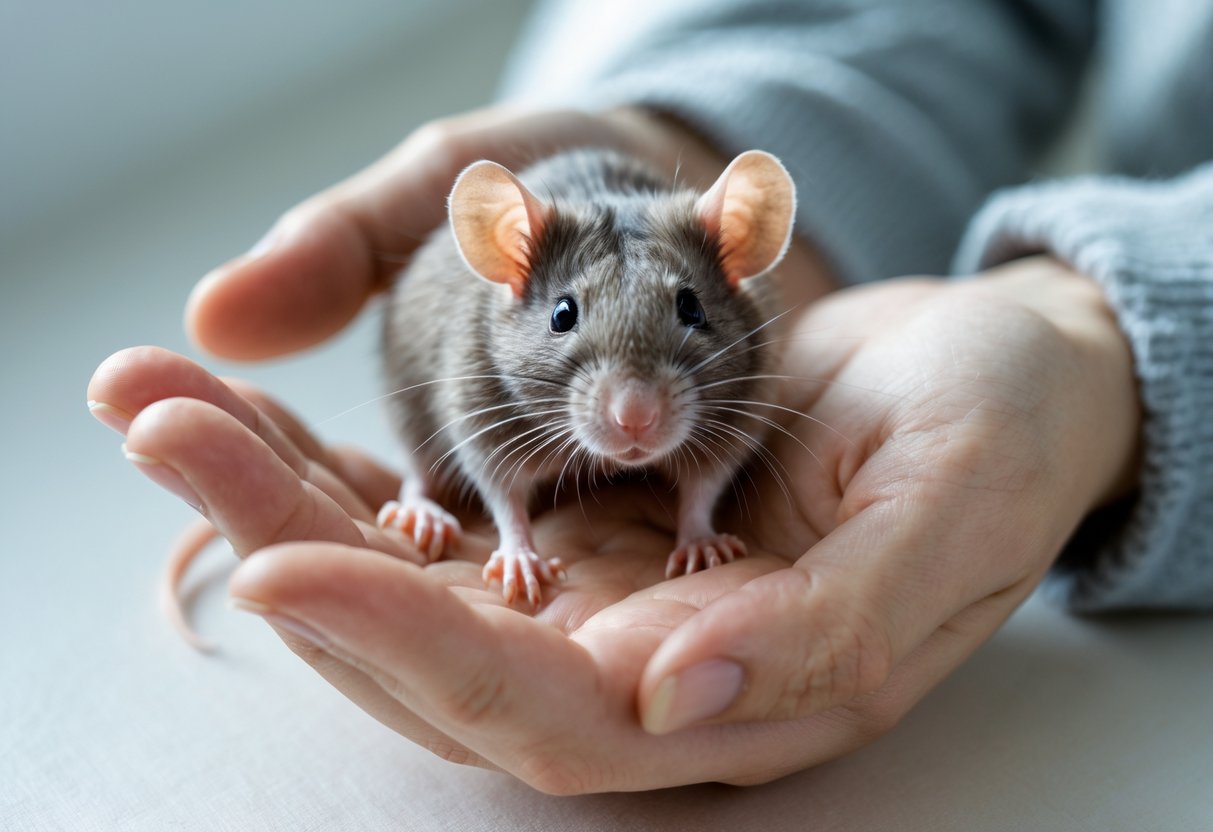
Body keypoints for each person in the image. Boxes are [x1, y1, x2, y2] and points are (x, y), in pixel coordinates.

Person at [87, 0, 1212, 792]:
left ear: (737, 261)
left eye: (684, 325)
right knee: (436, 349)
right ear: (516, 271)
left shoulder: (744, 345)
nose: (631, 414)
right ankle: (437, 491)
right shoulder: (490, 320)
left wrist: (1101, 335)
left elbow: (725, 416)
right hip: (482, 402)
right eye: (569, 326)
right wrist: (506, 525)